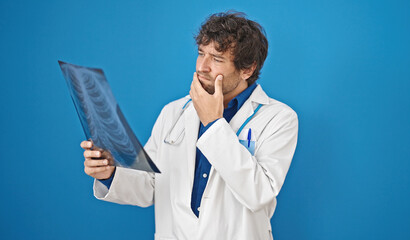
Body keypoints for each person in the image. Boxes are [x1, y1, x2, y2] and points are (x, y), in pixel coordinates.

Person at [81, 11, 298, 240]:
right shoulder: (174, 112)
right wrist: (110, 174)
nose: (203, 67)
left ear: (247, 69)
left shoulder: (279, 118)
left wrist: (213, 123)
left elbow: (258, 193)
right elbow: (151, 184)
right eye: (201, 53)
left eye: (217, 59)